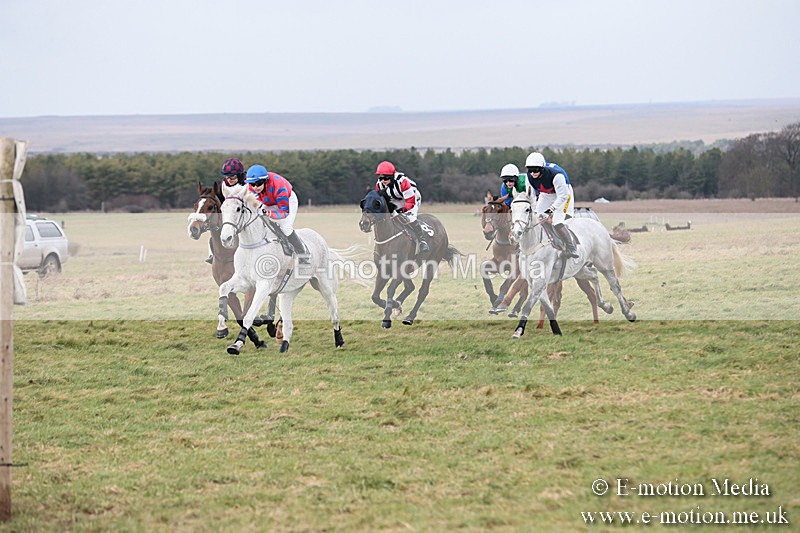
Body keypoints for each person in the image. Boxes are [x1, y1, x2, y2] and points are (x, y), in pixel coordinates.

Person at [244, 163, 310, 265]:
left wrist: (268, 212)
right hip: (269, 201)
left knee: (285, 227)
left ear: (265, 181)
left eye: (259, 183)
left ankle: (303, 254)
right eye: (253, 184)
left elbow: (284, 212)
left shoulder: (279, 187)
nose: (255, 187)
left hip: (287, 201)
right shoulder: (250, 187)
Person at [525, 152, 578, 258]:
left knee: (557, 221)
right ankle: (549, 241)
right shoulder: (529, 177)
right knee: (537, 218)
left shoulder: (557, 175)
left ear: (542, 168)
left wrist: (551, 209)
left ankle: (571, 247)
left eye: (536, 169)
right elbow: (532, 196)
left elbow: (562, 196)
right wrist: (535, 210)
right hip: (546, 194)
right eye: (530, 170)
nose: (533, 173)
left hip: (563, 194)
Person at [374, 160, 430, 254]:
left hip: (411, 198)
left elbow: (410, 203)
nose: (383, 181)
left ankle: (422, 241)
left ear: (392, 176)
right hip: (396, 199)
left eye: (386, 178)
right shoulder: (379, 185)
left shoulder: (402, 182)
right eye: (381, 177)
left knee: (410, 217)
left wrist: (399, 211)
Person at [206, 157, 248, 263]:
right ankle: (212, 255)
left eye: (232, 176)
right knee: (214, 236)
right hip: (230, 216)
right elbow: (219, 203)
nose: (229, 179)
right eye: (227, 176)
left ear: (239, 175)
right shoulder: (223, 185)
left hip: (246, 215)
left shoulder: (248, 184)